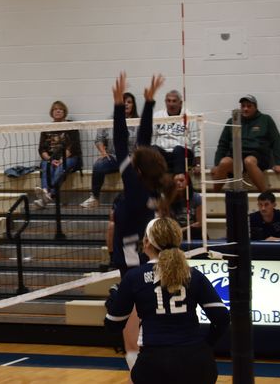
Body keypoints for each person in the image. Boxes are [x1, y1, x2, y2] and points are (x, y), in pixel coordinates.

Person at [105, 217, 230, 384]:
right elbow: (222, 319)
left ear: (147, 242)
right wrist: (206, 345)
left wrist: (115, 301)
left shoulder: (134, 278)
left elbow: (113, 326)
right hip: (197, 363)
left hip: (155, 365)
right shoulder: (193, 275)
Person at [109, 71, 174, 370]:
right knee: (142, 302)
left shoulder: (132, 182)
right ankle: (138, 354)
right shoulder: (152, 183)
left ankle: (134, 358)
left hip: (130, 251)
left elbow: (122, 140)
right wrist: (148, 103)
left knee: (132, 305)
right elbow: (143, 141)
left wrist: (117, 106)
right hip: (147, 249)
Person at [212, 95, 280, 193]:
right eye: (243, 106)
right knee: (224, 162)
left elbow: (277, 142)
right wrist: (217, 164)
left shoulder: (266, 120)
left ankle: (266, 196)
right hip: (236, 156)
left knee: (249, 161)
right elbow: (223, 144)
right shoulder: (232, 121)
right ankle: (214, 196)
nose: (245, 109)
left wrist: (278, 163)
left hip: (258, 157)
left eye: (249, 106)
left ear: (255, 107)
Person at [81, 93, 138, 209]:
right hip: (113, 157)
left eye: (129, 102)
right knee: (98, 165)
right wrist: (103, 153)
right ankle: (94, 198)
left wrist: (136, 157)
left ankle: (133, 199)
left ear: (133, 105)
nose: (126, 104)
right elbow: (99, 139)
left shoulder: (138, 122)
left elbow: (142, 143)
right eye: (123, 102)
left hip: (130, 158)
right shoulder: (109, 121)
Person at [33, 101, 82, 210]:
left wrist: (61, 160)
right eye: (55, 109)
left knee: (61, 167)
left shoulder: (71, 126)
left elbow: (73, 147)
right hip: (52, 158)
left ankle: (48, 195)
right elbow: (42, 149)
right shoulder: (47, 128)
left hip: (70, 157)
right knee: (45, 165)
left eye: (61, 109)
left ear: (64, 112)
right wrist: (50, 159)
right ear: (52, 112)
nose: (58, 111)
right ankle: (45, 192)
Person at [152, 90, 199, 174]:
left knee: (178, 149)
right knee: (153, 149)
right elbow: (151, 140)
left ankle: (179, 180)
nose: (171, 104)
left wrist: (198, 164)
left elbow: (197, 142)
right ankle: (158, 183)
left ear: (180, 103)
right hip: (163, 155)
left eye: (174, 101)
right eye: (168, 101)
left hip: (183, 154)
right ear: (165, 102)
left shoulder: (189, 116)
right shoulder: (157, 116)